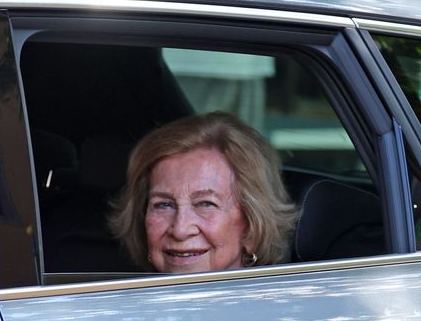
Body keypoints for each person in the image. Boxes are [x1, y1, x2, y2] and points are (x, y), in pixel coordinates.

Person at [109, 111, 296, 274]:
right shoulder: (120, 305)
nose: (180, 230)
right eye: (163, 205)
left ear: (252, 225)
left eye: (206, 204)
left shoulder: (273, 313)